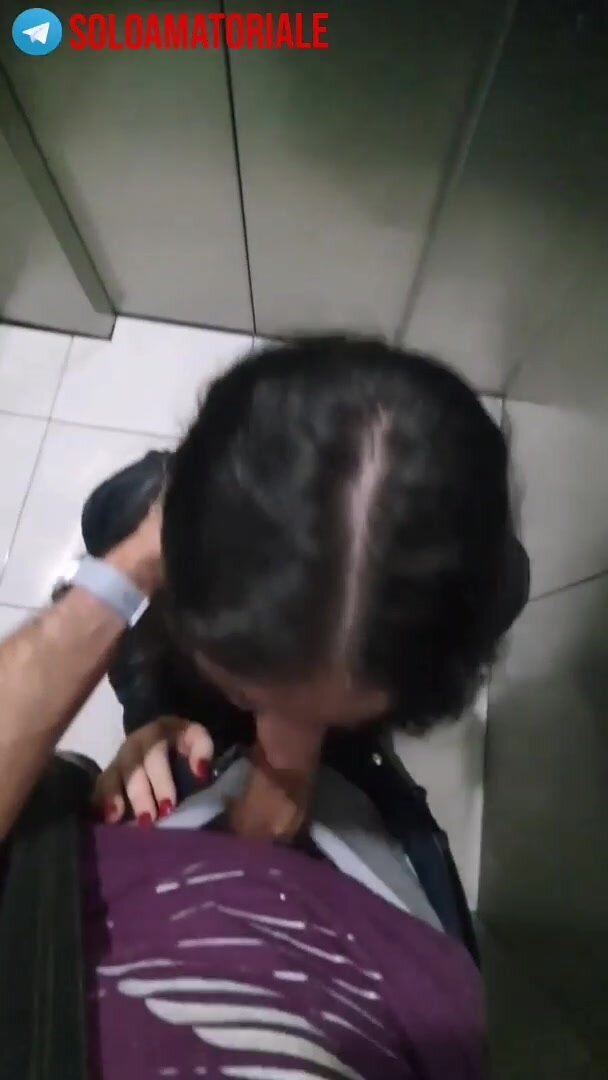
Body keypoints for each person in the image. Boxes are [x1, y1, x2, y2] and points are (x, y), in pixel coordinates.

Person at [0, 335, 527, 1077]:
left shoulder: (479, 595)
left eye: (331, 707)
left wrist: (291, 762)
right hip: (179, 665)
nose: (279, 729)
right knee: (114, 511)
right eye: (249, 687)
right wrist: (136, 561)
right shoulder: (157, 551)